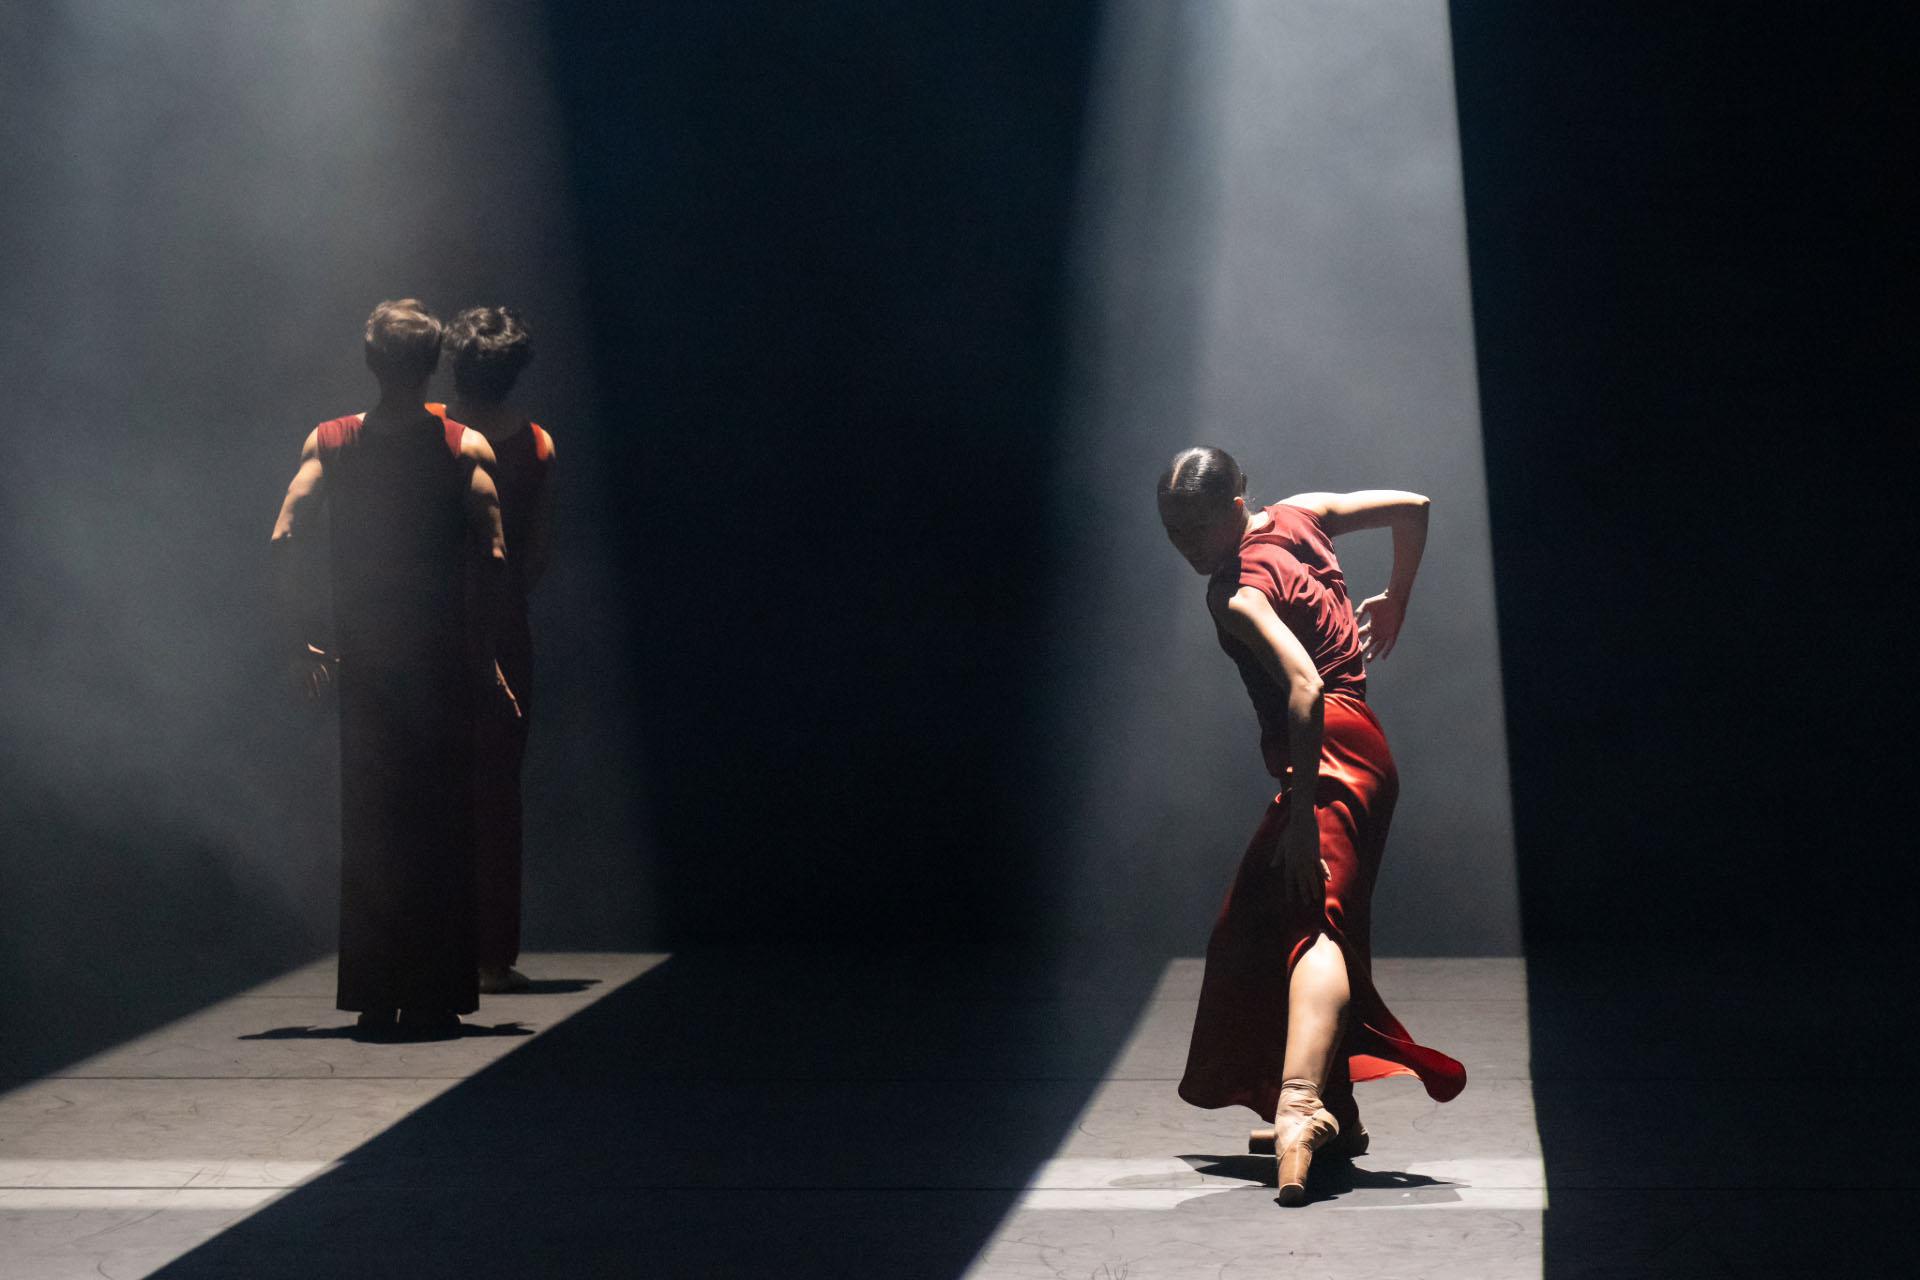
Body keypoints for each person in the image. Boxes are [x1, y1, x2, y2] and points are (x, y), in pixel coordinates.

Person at [1157, 446, 1465, 1205]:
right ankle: (1341, 1112)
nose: (1190, 549)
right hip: (1362, 749)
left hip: (1327, 755)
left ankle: (1300, 1109)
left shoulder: (1236, 592)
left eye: (1199, 529)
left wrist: (1300, 815)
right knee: (1264, 923)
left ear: (1235, 506)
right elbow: (1414, 506)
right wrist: (1395, 594)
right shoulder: (1304, 514)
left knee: (1315, 925)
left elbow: (1304, 687)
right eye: (1174, 534)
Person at [271, 299, 512, 1038]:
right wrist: (492, 658)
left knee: (375, 826)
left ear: (372, 362)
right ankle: (436, 996)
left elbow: (285, 534)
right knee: (440, 822)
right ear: (435, 363)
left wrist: (300, 636)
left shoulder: (333, 442)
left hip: (369, 658)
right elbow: (496, 557)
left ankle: (377, 998)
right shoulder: (464, 447)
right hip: (436, 657)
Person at [433, 305, 555, 995]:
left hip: (427, 623)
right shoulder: (536, 445)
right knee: (496, 793)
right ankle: (490, 958)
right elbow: (536, 557)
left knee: (427, 788)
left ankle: (428, 947)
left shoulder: (427, 433)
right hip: (504, 628)